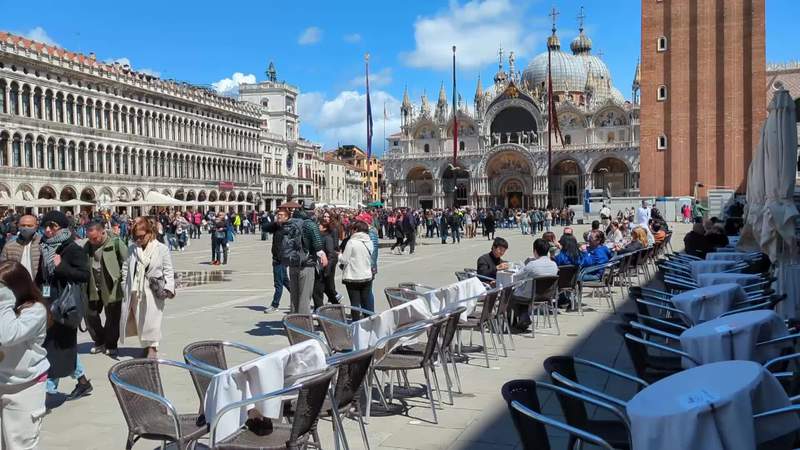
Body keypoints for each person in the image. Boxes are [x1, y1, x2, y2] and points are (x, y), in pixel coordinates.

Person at [37, 211, 92, 399]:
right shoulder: (45, 247)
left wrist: (62, 267)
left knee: (56, 345)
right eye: (45, 226)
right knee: (59, 345)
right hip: (48, 301)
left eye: (52, 226)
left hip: (65, 305)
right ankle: (82, 381)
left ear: (61, 228)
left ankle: (48, 389)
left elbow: (84, 275)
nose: (47, 230)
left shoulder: (72, 248)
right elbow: (43, 276)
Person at [0, 261, 50, 449]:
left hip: (25, 386)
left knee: (19, 445)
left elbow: (8, 336)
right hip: (2, 382)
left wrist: (4, 299)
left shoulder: (35, 310)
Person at [120, 217, 175, 359]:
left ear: (150, 233)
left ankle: (153, 347)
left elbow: (168, 270)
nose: (138, 240)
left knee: (153, 320)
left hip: (154, 290)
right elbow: (125, 268)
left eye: (141, 236)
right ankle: (145, 346)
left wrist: (169, 288)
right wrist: (124, 286)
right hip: (136, 289)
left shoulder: (161, 249)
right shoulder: (132, 249)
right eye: (135, 237)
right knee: (140, 320)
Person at [83, 220, 127, 358]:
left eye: (95, 238)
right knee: (90, 314)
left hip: (111, 286)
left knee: (112, 317)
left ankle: (111, 344)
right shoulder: (87, 246)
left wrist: (121, 280)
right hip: (93, 286)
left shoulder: (115, 243)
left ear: (103, 232)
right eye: (89, 238)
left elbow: (127, 261)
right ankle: (100, 340)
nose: (92, 241)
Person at [282, 207, 326, 314]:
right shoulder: (310, 225)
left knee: (294, 296)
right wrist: (322, 255)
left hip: (292, 262)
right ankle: (302, 321)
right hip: (306, 263)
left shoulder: (290, 223)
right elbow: (318, 245)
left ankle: (293, 320)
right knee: (304, 297)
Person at [338, 220, 374, 320]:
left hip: (353, 277)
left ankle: (356, 323)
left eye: (352, 229)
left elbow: (344, 260)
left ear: (356, 230)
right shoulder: (369, 241)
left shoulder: (352, 242)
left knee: (354, 303)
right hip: (366, 275)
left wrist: (339, 255)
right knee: (365, 301)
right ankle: (368, 321)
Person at [262, 209, 291, 313]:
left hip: (281, 259)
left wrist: (282, 257)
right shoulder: (277, 227)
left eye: (281, 215)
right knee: (285, 281)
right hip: (277, 258)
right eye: (278, 214)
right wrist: (275, 223)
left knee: (278, 283)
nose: (279, 216)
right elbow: (264, 228)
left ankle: (275, 305)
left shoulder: (288, 228)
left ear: (287, 217)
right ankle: (298, 299)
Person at [0, 214, 42, 280]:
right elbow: (3, 266)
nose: (26, 228)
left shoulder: (42, 243)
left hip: (37, 283)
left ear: (36, 226)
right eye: (23, 225)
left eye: (29, 226)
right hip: (16, 283)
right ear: (18, 226)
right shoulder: (9, 245)